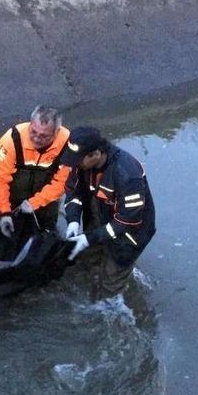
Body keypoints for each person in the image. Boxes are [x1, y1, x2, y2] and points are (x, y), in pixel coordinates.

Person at [62, 126, 156, 298]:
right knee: (88, 263)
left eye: (78, 160)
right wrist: (73, 220)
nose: (74, 164)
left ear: (96, 154)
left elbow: (127, 221)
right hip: (101, 218)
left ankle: (118, 305)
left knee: (109, 289)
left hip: (129, 236)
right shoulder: (81, 164)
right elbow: (72, 192)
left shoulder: (127, 174)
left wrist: (90, 238)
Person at [0, 105, 72, 242]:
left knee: (48, 237)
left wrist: (35, 203)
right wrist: (4, 212)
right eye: (33, 132)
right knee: (1, 237)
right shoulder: (12, 140)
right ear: (30, 124)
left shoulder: (67, 144)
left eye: (44, 136)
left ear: (56, 132)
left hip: (46, 201)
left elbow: (62, 182)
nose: (37, 138)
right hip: (11, 199)